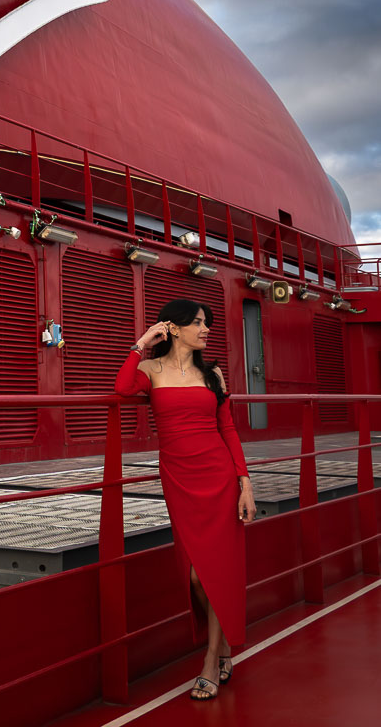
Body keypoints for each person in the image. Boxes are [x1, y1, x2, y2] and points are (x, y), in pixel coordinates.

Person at [114, 299, 257, 701]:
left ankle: (212, 658)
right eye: (197, 323)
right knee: (196, 575)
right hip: (179, 479)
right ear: (173, 328)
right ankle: (224, 642)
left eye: (206, 323)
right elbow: (122, 389)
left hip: (219, 477)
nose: (206, 329)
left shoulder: (211, 374)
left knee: (215, 571)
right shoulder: (150, 370)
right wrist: (141, 343)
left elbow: (227, 430)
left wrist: (244, 481)